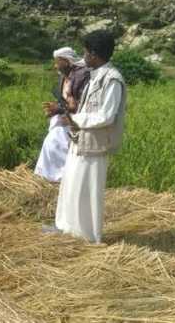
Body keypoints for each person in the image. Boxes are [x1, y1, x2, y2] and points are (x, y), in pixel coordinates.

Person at [44, 30, 127, 244]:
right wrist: (71, 117)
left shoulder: (112, 80)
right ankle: (65, 228)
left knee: (87, 192)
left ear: (95, 54)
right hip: (80, 140)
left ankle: (87, 236)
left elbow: (106, 116)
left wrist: (77, 119)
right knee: (71, 185)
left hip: (95, 145)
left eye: (86, 52)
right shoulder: (95, 75)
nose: (83, 56)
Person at [35, 47, 90, 182]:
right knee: (51, 144)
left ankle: (61, 178)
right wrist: (55, 109)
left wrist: (59, 109)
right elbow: (65, 102)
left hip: (77, 121)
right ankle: (52, 177)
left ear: (66, 61)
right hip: (65, 118)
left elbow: (80, 104)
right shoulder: (64, 77)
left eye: (57, 62)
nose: (55, 66)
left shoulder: (81, 76)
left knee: (55, 143)